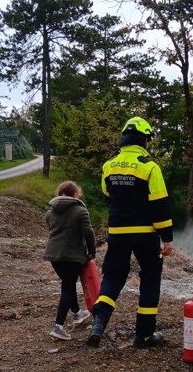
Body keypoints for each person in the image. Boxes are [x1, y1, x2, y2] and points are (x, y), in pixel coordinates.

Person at [86, 116, 174, 348]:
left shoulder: (109, 166)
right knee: (150, 278)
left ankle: (99, 322)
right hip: (145, 235)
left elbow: (108, 196)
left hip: (117, 232)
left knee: (114, 276)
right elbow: (159, 204)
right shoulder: (149, 167)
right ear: (144, 140)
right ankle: (144, 335)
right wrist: (167, 238)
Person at [44, 180, 97, 340]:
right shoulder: (80, 211)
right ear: (75, 195)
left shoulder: (50, 213)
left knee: (68, 284)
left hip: (54, 255)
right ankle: (58, 326)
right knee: (67, 287)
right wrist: (92, 252)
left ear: (60, 194)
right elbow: (88, 233)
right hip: (72, 256)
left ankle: (77, 313)